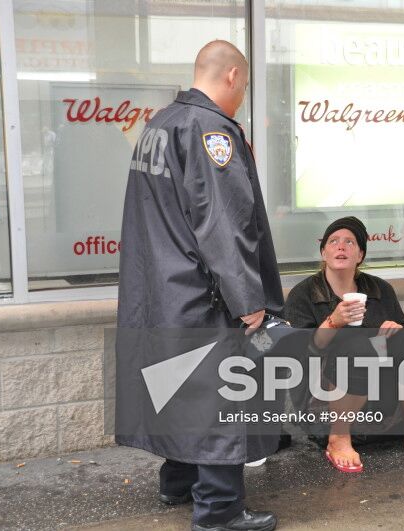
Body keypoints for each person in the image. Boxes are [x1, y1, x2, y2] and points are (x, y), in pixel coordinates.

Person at [116, 40, 283, 531]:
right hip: (203, 291)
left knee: (180, 388)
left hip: (163, 292)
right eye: (246, 85)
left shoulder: (160, 123)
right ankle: (219, 511)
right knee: (221, 397)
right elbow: (222, 223)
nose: (243, 95)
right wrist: (248, 299)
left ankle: (178, 482)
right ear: (232, 75)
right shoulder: (211, 130)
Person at [283, 216, 404, 473]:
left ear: (360, 254)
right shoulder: (303, 294)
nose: (341, 246)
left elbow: (402, 335)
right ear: (324, 252)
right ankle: (338, 438)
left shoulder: (379, 289)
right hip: (321, 395)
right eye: (333, 241)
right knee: (356, 347)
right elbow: (302, 354)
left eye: (350, 242)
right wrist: (333, 322)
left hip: (379, 390)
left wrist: (397, 329)